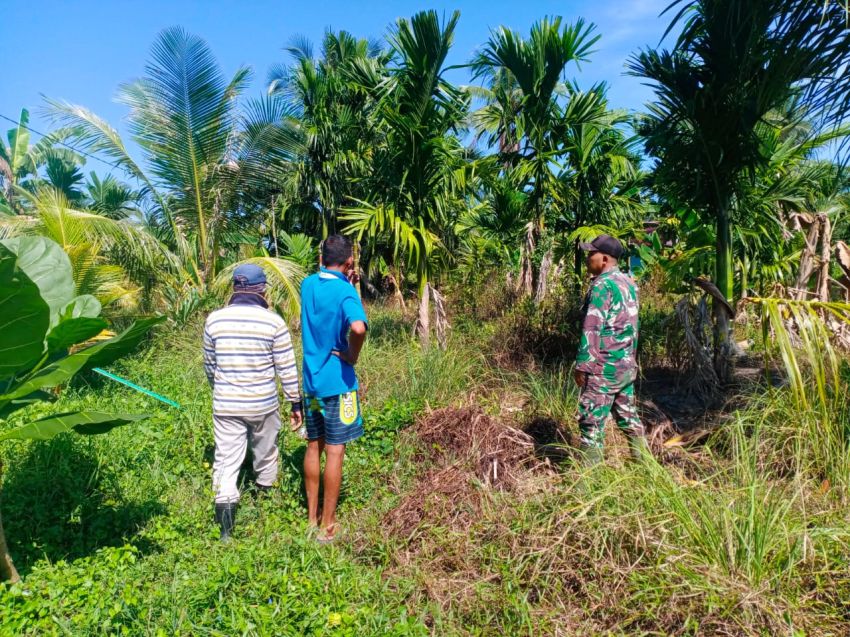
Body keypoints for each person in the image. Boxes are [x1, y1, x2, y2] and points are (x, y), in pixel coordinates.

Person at [203, 263, 303, 540]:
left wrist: (220, 389)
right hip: (263, 403)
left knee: (225, 460)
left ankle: (225, 531)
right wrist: (295, 402)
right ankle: (265, 506)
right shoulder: (274, 322)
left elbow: (210, 365)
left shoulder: (214, 320)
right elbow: (286, 367)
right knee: (266, 451)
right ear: (262, 290)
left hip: (226, 403)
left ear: (235, 287)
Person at [300, 235, 367, 543]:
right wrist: (352, 355)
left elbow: (326, 292)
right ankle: (328, 525)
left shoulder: (307, 285)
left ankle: (311, 519)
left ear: (321, 258)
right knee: (335, 450)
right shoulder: (345, 292)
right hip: (339, 387)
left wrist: (344, 281)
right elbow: (358, 327)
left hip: (312, 385)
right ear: (349, 261)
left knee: (314, 445)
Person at [574, 234, 647, 465]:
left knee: (591, 422)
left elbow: (592, 327)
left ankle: (588, 481)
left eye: (591, 253)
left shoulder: (602, 285)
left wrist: (583, 366)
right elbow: (633, 326)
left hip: (603, 368)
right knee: (628, 417)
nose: (588, 258)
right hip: (625, 365)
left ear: (604, 259)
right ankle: (647, 470)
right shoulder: (629, 283)